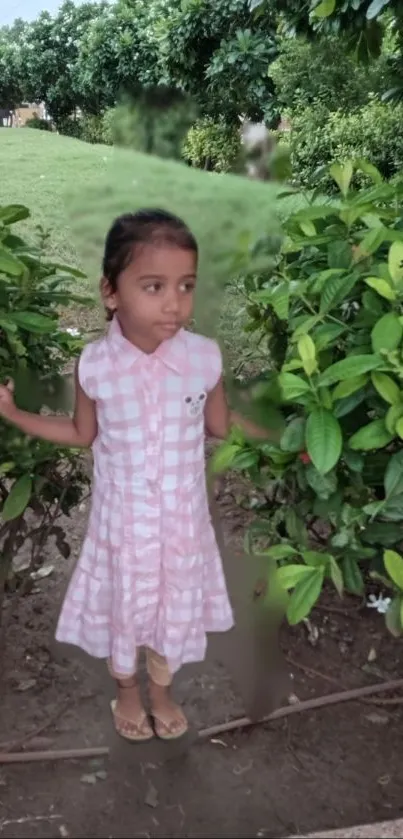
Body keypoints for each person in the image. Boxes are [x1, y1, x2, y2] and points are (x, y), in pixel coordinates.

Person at [0, 209, 267, 743]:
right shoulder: (96, 365)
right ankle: (126, 690)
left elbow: (219, 423)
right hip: (122, 527)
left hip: (180, 527)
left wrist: (288, 442)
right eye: (154, 286)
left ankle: (163, 692)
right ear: (111, 292)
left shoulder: (203, 359)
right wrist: (11, 413)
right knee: (125, 608)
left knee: (169, 609)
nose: (175, 303)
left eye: (186, 286)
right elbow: (82, 433)